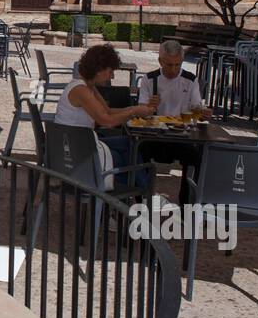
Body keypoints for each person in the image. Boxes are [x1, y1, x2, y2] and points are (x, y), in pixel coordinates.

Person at [54, 44, 154, 191]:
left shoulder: (89, 87)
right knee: (129, 160)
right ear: (98, 69)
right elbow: (106, 121)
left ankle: (142, 192)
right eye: (110, 71)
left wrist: (137, 110)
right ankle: (143, 194)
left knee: (130, 144)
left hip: (80, 142)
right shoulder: (80, 90)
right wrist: (134, 111)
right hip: (75, 151)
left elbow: (107, 111)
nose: (112, 76)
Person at [137, 39, 212, 205]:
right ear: (160, 61)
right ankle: (141, 198)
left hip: (181, 136)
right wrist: (149, 106)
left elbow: (196, 111)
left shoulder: (190, 80)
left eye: (177, 64)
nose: (173, 69)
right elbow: (141, 112)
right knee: (138, 150)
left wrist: (202, 114)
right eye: (169, 64)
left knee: (198, 156)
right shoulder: (150, 79)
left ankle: (188, 202)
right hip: (155, 136)